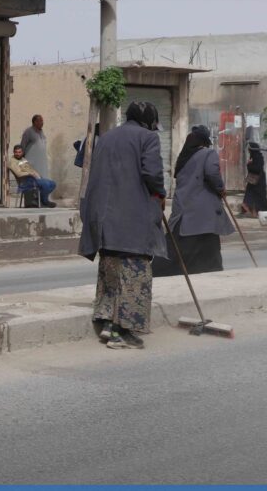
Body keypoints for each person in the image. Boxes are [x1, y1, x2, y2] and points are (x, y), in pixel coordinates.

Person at [79, 101, 166, 350]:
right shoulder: (148, 138)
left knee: (111, 274)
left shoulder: (106, 138)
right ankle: (121, 332)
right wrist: (160, 195)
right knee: (134, 277)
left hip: (104, 222)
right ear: (148, 121)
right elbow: (152, 174)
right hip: (132, 221)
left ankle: (108, 324)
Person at [153, 126, 235, 277]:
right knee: (208, 250)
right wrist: (221, 188)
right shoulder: (208, 153)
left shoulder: (183, 158)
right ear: (204, 141)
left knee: (177, 247)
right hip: (203, 212)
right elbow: (212, 172)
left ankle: (160, 271)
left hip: (183, 210)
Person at [241, 141, 267, 217]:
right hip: (254, 179)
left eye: (249, 150)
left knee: (257, 196)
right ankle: (253, 211)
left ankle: (254, 212)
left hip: (258, 180)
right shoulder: (254, 156)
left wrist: (249, 165)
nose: (249, 151)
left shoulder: (258, 157)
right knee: (252, 195)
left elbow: (257, 169)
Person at [20, 114, 49, 179]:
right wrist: (22, 160)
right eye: (40, 121)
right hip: (32, 163)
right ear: (35, 122)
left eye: (42, 121)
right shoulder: (28, 131)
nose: (42, 123)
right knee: (33, 179)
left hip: (41, 163)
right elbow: (23, 145)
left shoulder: (41, 132)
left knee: (42, 179)